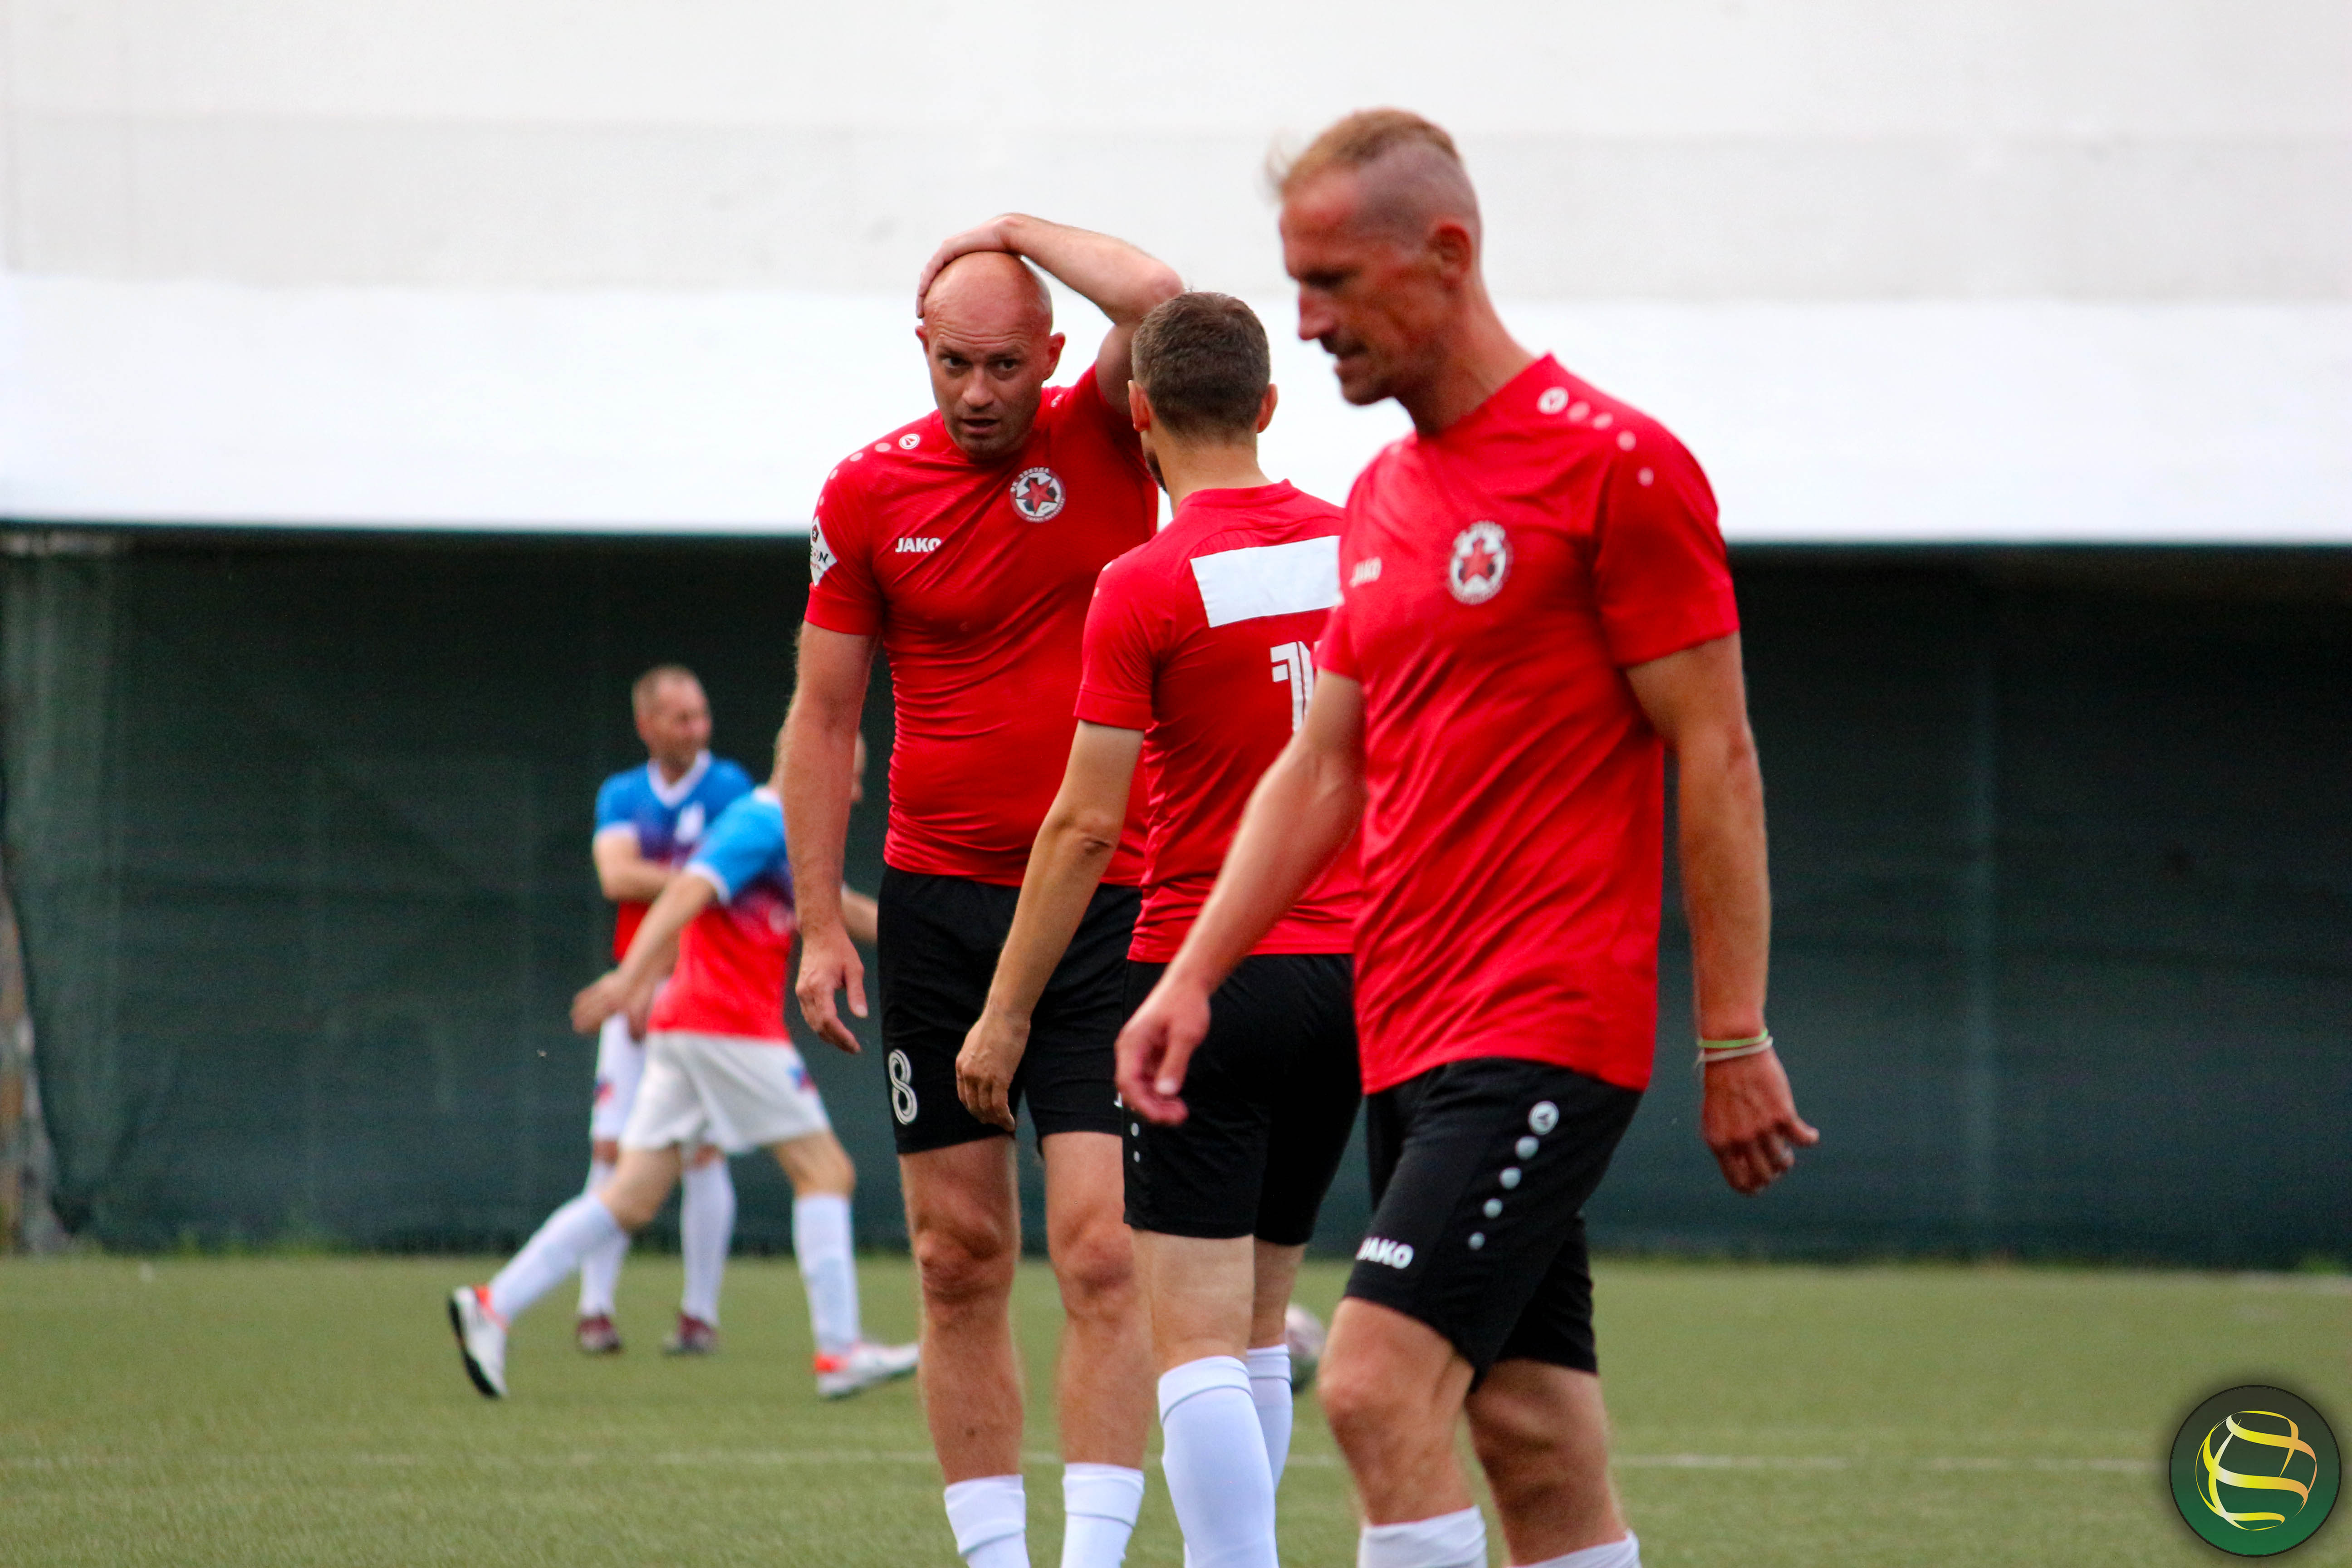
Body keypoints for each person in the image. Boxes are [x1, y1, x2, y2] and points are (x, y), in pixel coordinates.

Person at [1118, 110, 1821, 1568]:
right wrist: (1190, 975)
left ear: (1446, 255)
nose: (1307, 322)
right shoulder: (1383, 499)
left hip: (1544, 1026)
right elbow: (1325, 766)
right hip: (1402, 1029)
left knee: (1372, 1388)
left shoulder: (1618, 468)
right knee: (1535, 1438)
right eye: (1294, 284)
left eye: (1333, 282)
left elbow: (1719, 757)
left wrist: (1735, 1033)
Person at [781, 216, 1182, 1568]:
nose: (976, 393)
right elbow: (823, 719)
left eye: (1005, 366)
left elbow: (1161, 293)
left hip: (1108, 903)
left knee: (1105, 1251)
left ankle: (1092, 1560)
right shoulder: (864, 494)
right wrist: (822, 923)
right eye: (953, 364)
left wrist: (1008, 228)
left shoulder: (1107, 432)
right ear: (922, 350)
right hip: (940, 911)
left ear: (1054, 356)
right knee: (956, 1257)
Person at [961, 289, 1362, 1568]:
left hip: (1209, 982)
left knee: (1191, 1340)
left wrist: (1006, 1010)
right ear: (1270, 405)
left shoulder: (1143, 583)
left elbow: (1086, 827)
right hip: (1357, 981)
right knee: (1259, 1324)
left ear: (1137, 415)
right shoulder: (1361, 548)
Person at [450, 731, 917, 1402]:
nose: (856, 792)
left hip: (688, 1027)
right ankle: (840, 1351)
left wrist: (926, 932)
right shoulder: (762, 822)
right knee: (825, 1172)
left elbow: (836, 908)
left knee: (631, 1196)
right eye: (848, 775)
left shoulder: (785, 835)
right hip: (727, 1027)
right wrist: (627, 978)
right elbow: (684, 893)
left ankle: (492, 1305)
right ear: (811, 768)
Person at [582, 665, 753, 1354]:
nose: (697, 728)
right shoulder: (623, 793)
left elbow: (728, 888)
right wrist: (692, 882)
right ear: (646, 724)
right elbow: (615, 875)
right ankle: (595, 1309)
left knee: (703, 1153)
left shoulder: (730, 788)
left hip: (702, 994)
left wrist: (663, 970)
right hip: (633, 991)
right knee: (611, 1149)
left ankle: (698, 1316)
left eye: (701, 714)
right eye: (682, 718)